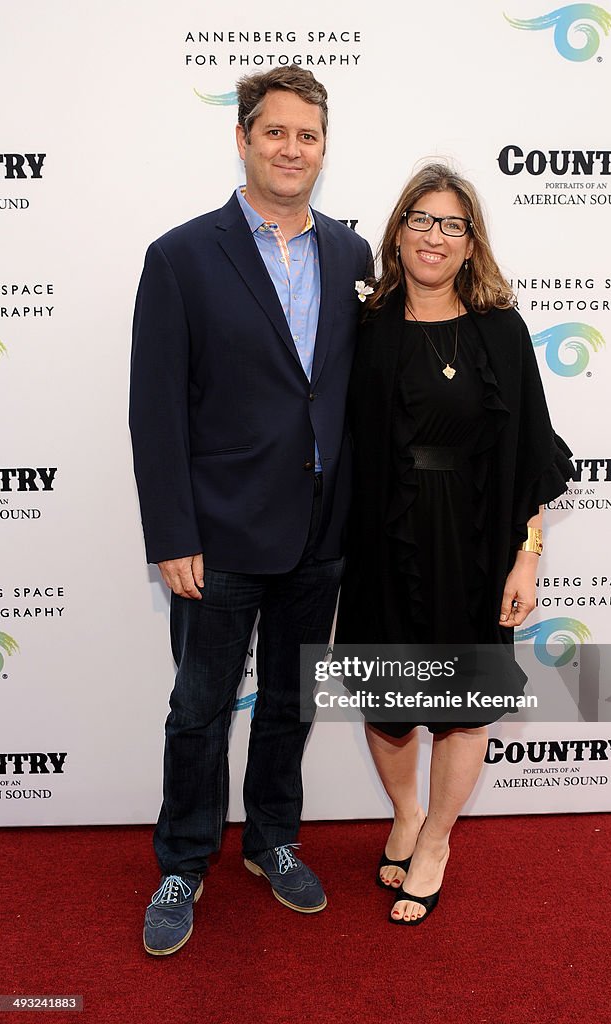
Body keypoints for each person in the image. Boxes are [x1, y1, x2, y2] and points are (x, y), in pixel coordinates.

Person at [129, 65, 372, 956]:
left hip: (320, 530)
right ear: (243, 138)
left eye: (308, 135)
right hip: (218, 531)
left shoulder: (351, 255)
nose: (292, 149)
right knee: (198, 708)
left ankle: (272, 840)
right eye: (276, 132)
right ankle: (184, 861)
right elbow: (153, 409)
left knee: (291, 704)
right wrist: (172, 532)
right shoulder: (182, 255)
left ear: (323, 146)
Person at [336, 163, 573, 925]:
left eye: (452, 224)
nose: (434, 237)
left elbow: (533, 447)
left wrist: (528, 553)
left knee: (464, 708)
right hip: (380, 538)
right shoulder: (365, 326)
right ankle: (406, 812)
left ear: (472, 244)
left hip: (473, 536)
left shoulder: (499, 329)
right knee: (386, 703)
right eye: (421, 220)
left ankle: (436, 839)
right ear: (397, 231)